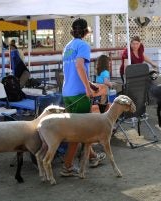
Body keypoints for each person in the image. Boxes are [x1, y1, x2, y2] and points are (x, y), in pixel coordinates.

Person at [60, 18, 106, 177]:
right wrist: (88, 88)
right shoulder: (83, 46)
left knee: (79, 130)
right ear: (86, 31)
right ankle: (67, 166)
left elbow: (72, 72)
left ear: (73, 31)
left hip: (67, 93)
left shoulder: (67, 47)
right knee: (78, 132)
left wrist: (90, 84)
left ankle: (93, 157)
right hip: (79, 93)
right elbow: (79, 66)